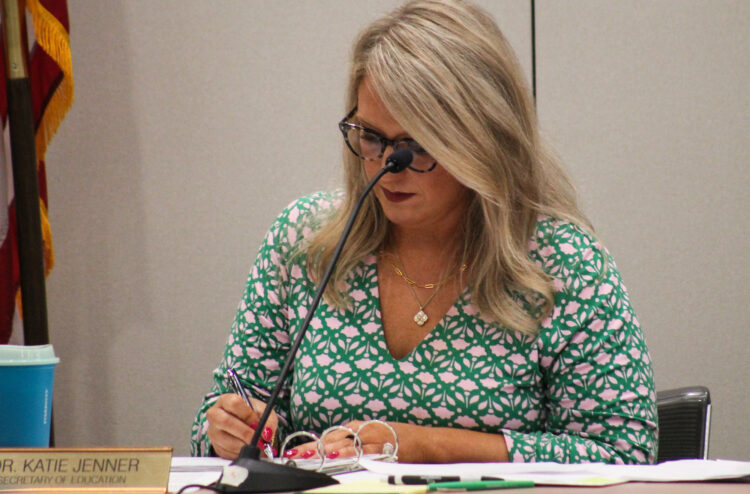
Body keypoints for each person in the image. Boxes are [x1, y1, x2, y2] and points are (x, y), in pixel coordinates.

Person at [191, 0, 657, 464]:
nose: (388, 168)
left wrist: (429, 445)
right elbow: (212, 429)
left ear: (480, 140)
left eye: (416, 146)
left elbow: (623, 453)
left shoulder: (561, 263)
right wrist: (232, 427)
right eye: (371, 137)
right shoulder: (304, 242)